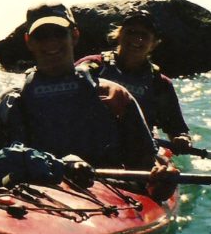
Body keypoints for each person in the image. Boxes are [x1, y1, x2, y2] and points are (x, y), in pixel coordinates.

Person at [0, 2, 178, 202]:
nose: (50, 42)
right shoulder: (9, 100)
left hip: (103, 191)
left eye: (58, 34)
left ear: (74, 35)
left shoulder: (115, 96)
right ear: (29, 41)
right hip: (23, 190)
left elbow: (145, 168)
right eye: (41, 36)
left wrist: (160, 181)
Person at [76, 8, 192, 154]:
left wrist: (182, 139)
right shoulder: (93, 66)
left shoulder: (160, 84)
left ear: (154, 43)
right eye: (130, 32)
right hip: (93, 146)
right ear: (119, 34)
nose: (136, 39)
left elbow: (177, 129)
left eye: (144, 35)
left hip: (139, 150)